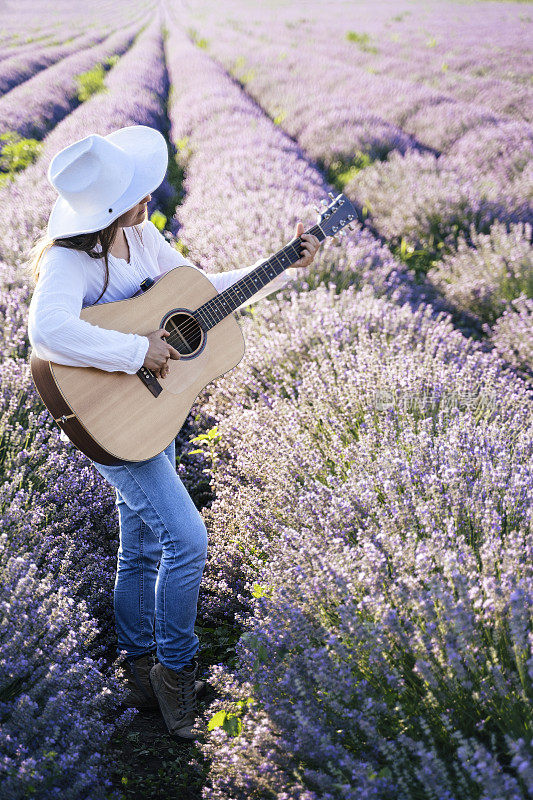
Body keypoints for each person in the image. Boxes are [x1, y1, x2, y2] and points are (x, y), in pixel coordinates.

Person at [25, 124, 321, 740]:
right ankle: (176, 669)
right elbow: (48, 333)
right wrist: (137, 350)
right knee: (187, 539)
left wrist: (285, 263)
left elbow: (198, 290)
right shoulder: (66, 260)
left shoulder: (138, 234)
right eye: (138, 191)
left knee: (140, 544)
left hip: (144, 408)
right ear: (112, 203)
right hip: (101, 410)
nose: (148, 197)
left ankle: (136, 664)